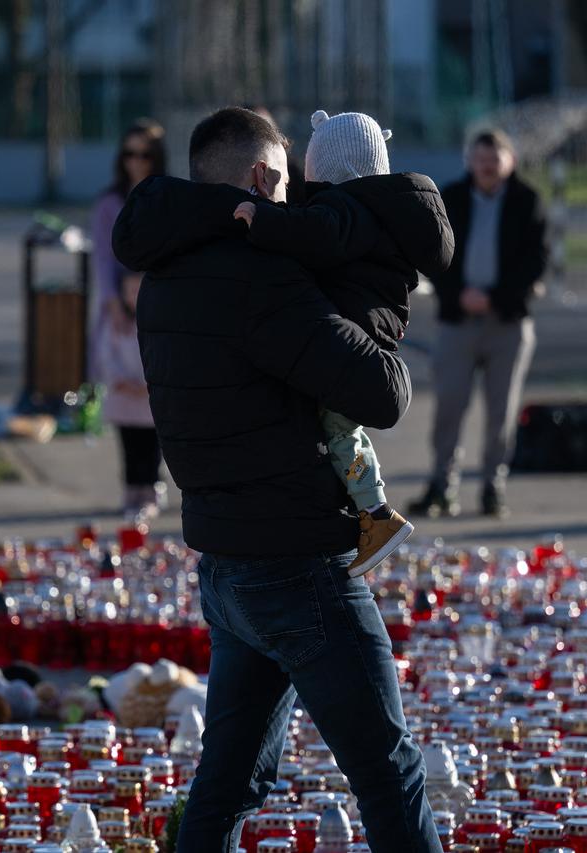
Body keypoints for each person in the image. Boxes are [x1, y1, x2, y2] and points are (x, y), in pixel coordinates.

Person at [113, 107, 440, 853]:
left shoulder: (163, 270)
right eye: (288, 185)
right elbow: (382, 393)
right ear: (262, 179)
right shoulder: (260, 276)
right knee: (390, 773)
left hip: (228, 565)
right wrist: (377, 305)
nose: (295, 204)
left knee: (228, 785)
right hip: (298, 565)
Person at [233, 108, 454, 576]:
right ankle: (366, 511)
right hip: (375, 328)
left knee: (337, 429)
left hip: (356, 332)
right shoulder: (383, 209)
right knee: (337, 425)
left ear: (328, 166)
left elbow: (316, 234)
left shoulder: (346, 209)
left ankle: (376, 514)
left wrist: (265, 218)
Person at [409, 128, 548, 519]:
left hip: (508, 323)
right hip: (457, 321)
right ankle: (441, 486)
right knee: (449, 407)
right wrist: (459, 294)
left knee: (501, 412)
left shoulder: (528, 202)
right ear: (469, 160)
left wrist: (495, 297)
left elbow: (535, 262)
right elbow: (433, 255)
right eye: (480, 158)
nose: (487, 166)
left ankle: (493, 486)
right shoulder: (450, 198)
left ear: (510, 162)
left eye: (495, 159)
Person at [88, 119, 166, 377]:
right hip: (122, 304)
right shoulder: (109, 204)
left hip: (158, 299)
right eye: (130, 154)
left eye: (145, 155)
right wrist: (113, 304)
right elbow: (103, 259)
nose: (137, 162)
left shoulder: (169, 197)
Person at [93, 270, 164, 519]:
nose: (134, 296)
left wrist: (149, 383)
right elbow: (105, 356)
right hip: (124, 400)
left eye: (139, 291)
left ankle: (150, 493)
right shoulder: (115, 324)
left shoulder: (158, 323)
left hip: (149, 400)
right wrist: (121, 381)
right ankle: (131, 492)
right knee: (130, 449)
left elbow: (164, 356)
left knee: (152, 450)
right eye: (130, 291)